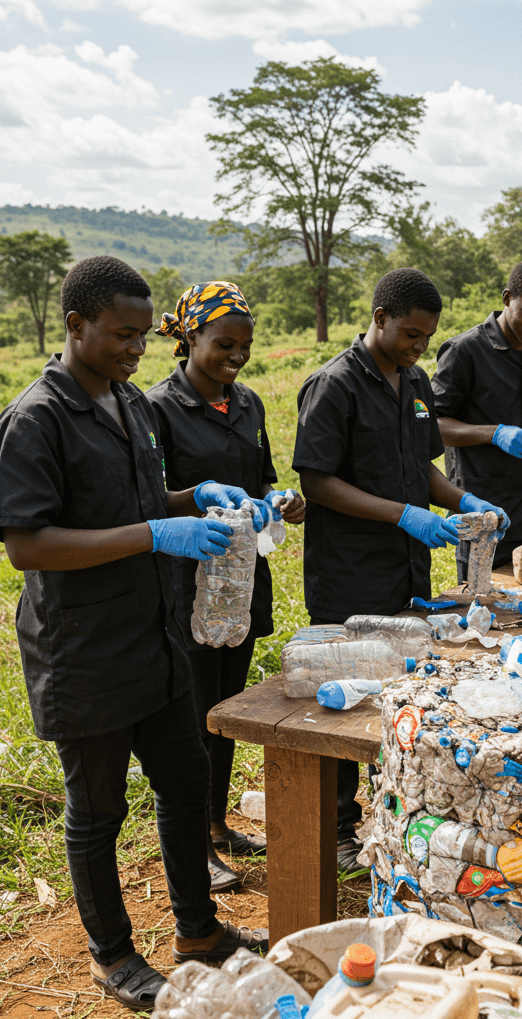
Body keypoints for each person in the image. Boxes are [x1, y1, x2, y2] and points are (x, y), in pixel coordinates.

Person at [0, 257, 269, 1012]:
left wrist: (195, 499)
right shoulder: (37, 418)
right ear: (75, 325)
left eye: (144, 338)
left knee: (184, 786)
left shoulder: (130, 405)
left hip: (156, 638)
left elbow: (147, 499)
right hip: (84, 650)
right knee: (98, 810)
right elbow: (28, 544)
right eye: (120, 335)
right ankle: (112, 955)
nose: (134, 350)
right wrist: (155, 533)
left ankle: (199, 931)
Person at [292, 268, 508, 871]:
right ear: (379, 316)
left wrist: (461, 499)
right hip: (351, 571)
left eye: (426, 337)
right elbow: (317, 480)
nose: (419, 347)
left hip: (406, 574)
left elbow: (424, 467)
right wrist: (402, 515)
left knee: (400, 689)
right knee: (341, 706)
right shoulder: (333, 385)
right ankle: (335, 828)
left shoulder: (414, 381)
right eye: (410, 333)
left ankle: (391, 815)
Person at [147, 281, 306, 893]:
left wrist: (279, 503)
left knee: (226, 710)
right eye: (223, 343)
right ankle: (191, 844)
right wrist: (200, 503)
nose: (236, 356)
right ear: (190, 337)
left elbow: (263, 481)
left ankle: (215, 826)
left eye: (244, 345)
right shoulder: (157, 409)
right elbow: (146, 500)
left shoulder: (249, 406)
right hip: (187, 587)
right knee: (190, 719)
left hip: (240, 584)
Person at [431, 258, 522, 580]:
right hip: (486, 516)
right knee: (487, 609)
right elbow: (434, 424)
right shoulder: (465, 351)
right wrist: (495, 433)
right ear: (507, 299)